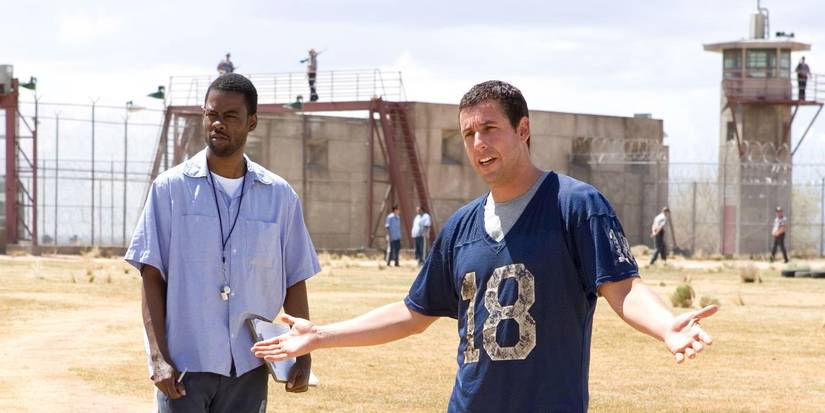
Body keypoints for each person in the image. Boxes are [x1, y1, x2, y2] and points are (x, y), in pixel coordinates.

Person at [253, 80, 717, 412]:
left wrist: (666, 326)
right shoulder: (460, 226)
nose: (478, 143)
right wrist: (321, 336)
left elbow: (623, 287)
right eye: (469, 134)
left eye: (490, 129)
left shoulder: (575, 204)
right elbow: (414, 312)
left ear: (523, 130)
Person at [126, 73, 321, 413]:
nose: (218, 123)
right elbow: (151, 276)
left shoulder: (279, 197)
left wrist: (301, 353)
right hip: (185, 368)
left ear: (252, 122)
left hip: (250, 367)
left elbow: (295, 279)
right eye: (211, 114)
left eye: (230, 116)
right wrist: (157, 358)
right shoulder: (169, 190)